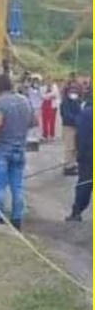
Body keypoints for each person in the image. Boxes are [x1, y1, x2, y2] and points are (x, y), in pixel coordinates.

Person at [0, 74, 35, 231]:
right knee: (17, 185)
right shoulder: (25, 100)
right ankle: (16, 219)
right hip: (20, 147)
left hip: (2, 148)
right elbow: (35, 121)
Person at [66, 93, 92, 222]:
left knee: (84, 186)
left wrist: (79, 154)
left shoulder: (86, 114)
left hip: (87, 156)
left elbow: (79, 135)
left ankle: (76, 212)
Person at [60, 85, 82, 176]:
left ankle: (72, 164)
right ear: (68, 93)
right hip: (68, 127)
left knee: (74, 148)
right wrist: (77, 120)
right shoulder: (65, 103)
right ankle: (68, 167)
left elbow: (80, 112)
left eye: (75, 92)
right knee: (69, 148)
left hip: (76, 127)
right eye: (72, 92)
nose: (74, 93)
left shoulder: (76, 102)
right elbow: (67, 115)